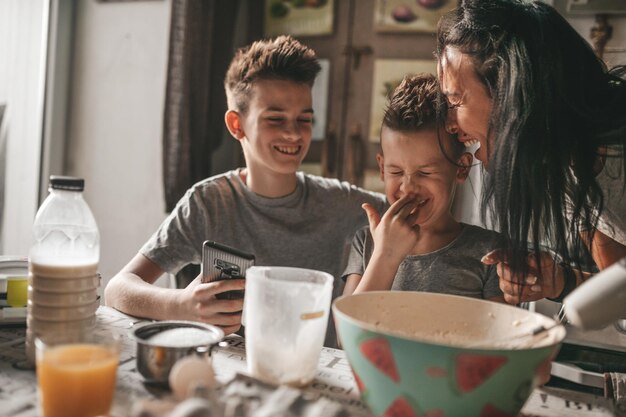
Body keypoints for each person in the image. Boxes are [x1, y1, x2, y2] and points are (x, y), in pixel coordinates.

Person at [104, 36, 386, 345]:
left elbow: (409, 212)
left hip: (313, 370)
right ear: (236, 125)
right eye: (275, 119)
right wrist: (181, 305)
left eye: (304, 119)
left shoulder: (341, 202)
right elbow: (118, 289)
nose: (293, 133)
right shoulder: (207, 203)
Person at [436, 0, 626, 305]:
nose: (448, 124)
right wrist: (557, 281)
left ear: (512, 91)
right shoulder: (565, 172)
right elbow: (619, 286)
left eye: (456, 100)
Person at [342, 73, 504, 302]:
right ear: (381, 168)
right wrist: (385, 256)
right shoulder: (367, 243)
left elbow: (504, 336)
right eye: (396, 172)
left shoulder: (489, 252)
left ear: (461, 168)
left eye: (425, 173)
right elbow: (346, 338)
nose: (408, 188)